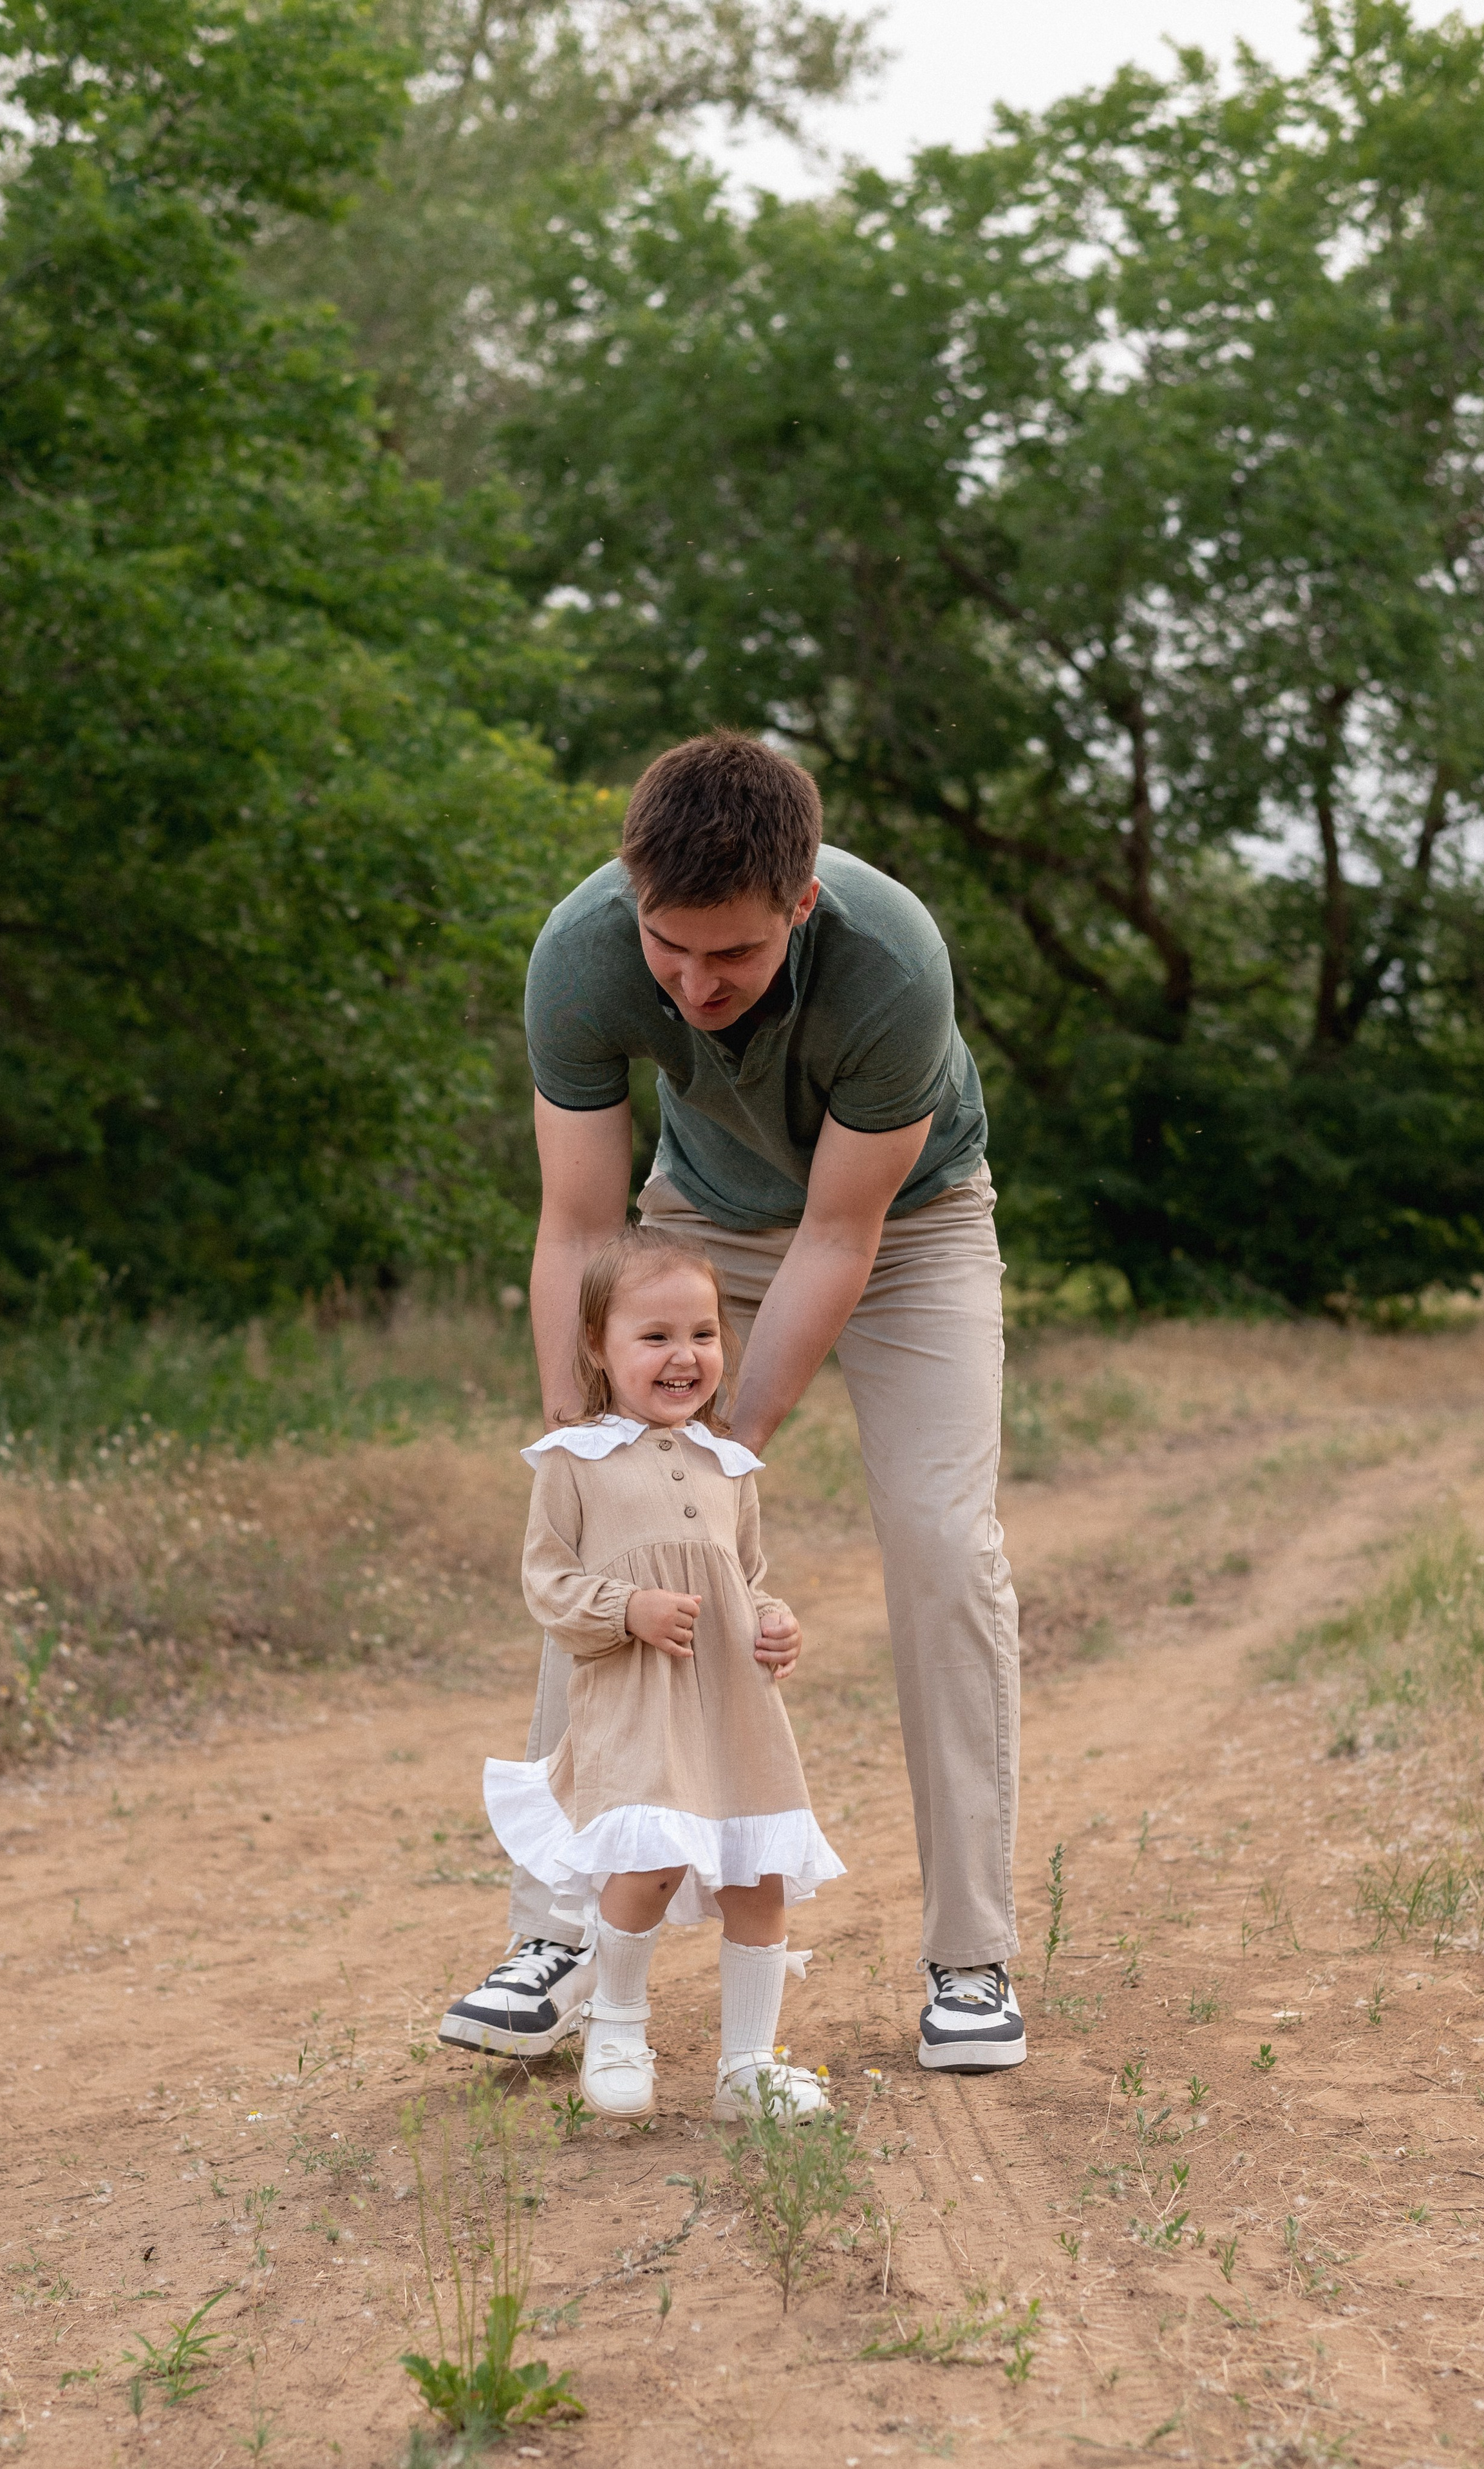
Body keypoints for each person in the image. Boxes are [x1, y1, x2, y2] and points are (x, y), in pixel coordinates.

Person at [439, 730, 1024, 2075]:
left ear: (800, 904)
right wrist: (585, 1441)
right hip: (694, 1223)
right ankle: (558, 1939)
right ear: (632, 898)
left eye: (736, 956)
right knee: (613, 1525)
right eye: (670, 948)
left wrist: (726, 1448)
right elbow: (578, 1225)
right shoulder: (581, 953)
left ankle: (971, 1957)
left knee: (944, 1548)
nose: (697, 984)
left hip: (908, 1226)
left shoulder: (892, 963)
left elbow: (840, 1234)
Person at [478, 1222, 841, 2121]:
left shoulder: (728, 1466)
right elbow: (548, 1584)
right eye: (656, 1337)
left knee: (757, 1879)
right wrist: (625, 1609)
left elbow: (746, 1577)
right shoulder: (573, 1463)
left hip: (736, 1713)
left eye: (704, 1334)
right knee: (646, 1866)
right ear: (597, 1347)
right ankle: (616, 2027)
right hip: (638, 1705)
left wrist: (775, 1621)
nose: (685, 1356)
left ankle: (747, 2068)